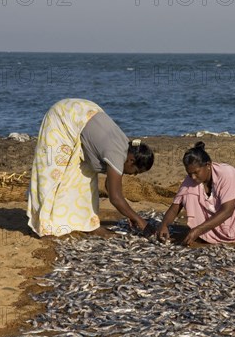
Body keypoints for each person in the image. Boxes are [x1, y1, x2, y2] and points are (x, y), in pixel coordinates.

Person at [27, 98, 154, 237]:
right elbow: (115, 197)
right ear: (131, 160)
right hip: (63, 116)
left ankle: (89, 225)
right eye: (136, 172)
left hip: (84, 113)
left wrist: (129, 215)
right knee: (52, 172)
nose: (133, 175)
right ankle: (43, 225)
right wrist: (141, 221)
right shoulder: (117, 155)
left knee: (84, 177)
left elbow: (109, 186)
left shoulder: (125, 148)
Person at [157, 142, 235, 246]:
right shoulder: (190, 180)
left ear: (208, 165)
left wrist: (197, 230)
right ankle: (209, 236)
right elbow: (175, 206)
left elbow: (228, 211)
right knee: (186, 193)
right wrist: (164, 225)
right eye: (189, 173)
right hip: (211, 233)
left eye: (196, 172)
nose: (193, 177)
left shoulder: (226, 174)